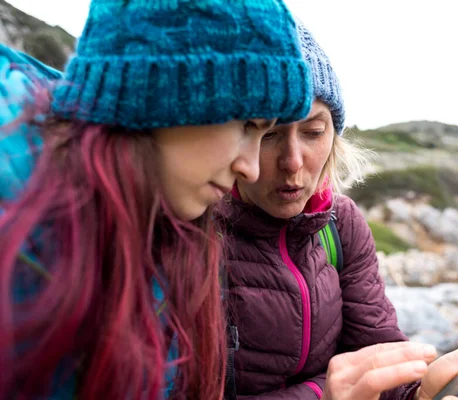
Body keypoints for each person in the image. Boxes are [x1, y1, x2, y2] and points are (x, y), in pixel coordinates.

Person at [0, 0, 313, 398]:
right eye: (249, 125)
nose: (251, 169)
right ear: (165, 95)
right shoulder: (14, 230)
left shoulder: (172, 233)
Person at [215, 22, 458, 400]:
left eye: (313, 132)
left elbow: (376, 364)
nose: (292, 162)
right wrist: (323, 394)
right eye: (270, 133)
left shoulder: (340, 224)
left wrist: (420, 394)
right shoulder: (191, 229)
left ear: (334, 136)